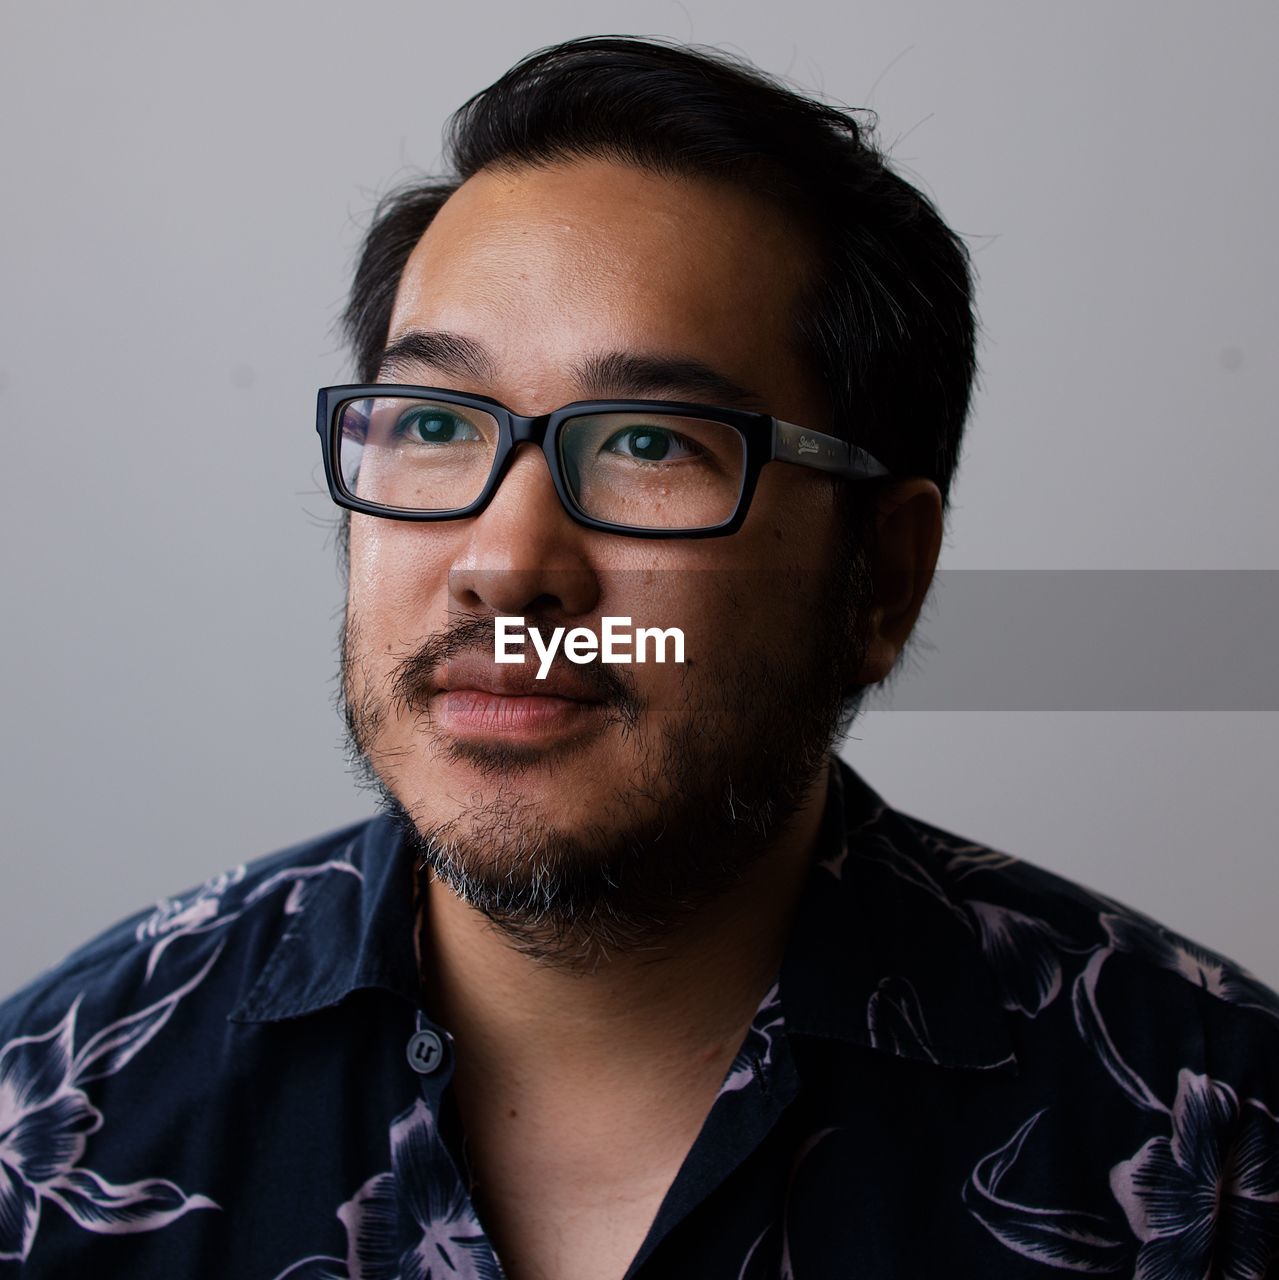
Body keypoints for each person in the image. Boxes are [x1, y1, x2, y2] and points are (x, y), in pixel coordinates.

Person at [1, 33, 1275, 1279]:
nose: (505, 564)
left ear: (881, 577)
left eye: (651, 443)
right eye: (437, 421)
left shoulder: (1211, 1148)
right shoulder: (59, 1114)